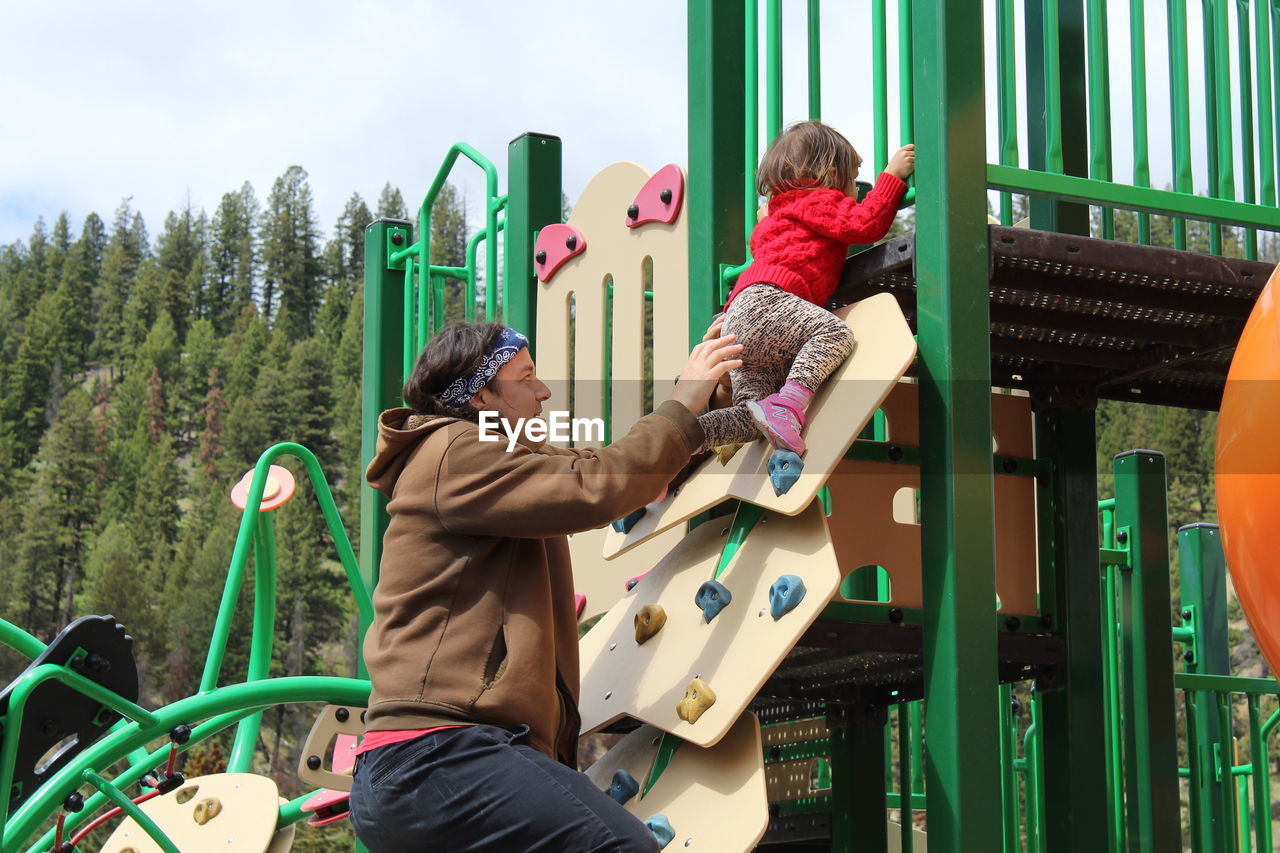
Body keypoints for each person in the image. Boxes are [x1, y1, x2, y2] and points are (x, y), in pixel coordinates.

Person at [348, 320, 742, 853]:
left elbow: (593, 468)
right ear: (483, 396)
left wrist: (692, 421)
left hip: (423, 766)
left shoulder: (488, 456)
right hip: (443, 754)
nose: (544, 391)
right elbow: (596, 485)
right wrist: (681, 401)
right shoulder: (454, 451)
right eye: (526, 377)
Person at [698, 120, 915, 456]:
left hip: (743, 317)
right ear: (831, 172)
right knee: (835, 334)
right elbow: (865, 223)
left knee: (749, 418)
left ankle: (682, 442)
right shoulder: (816, 200)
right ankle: (788, 404)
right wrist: (893, 177)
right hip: (767, 304)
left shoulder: (779, 214)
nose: (857, 189)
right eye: (854, 178)